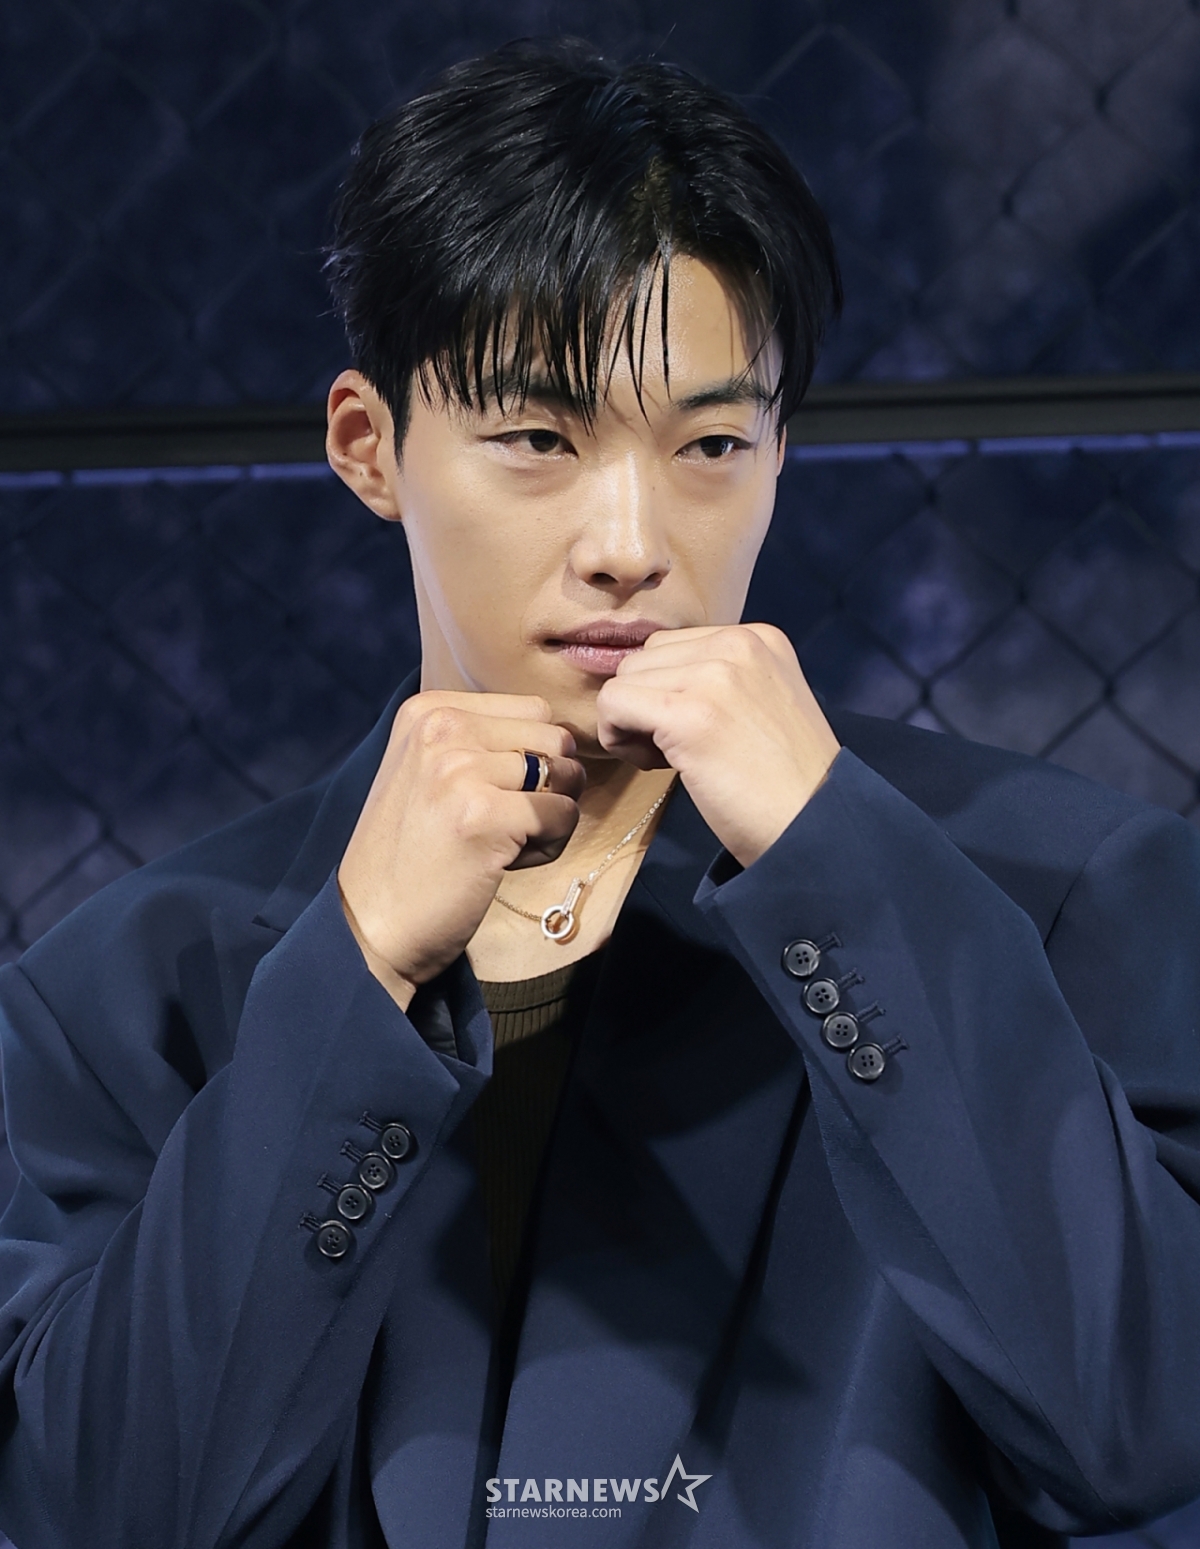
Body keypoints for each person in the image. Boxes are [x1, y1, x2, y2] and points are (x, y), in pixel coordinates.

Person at [0, 38, 1198, 1549]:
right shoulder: (124, 993)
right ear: (371, 447)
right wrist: (356, 976)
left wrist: (844, 873)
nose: (630, 542)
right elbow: (111, 1508)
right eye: (538, 440)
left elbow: (1139, 1426)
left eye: (710, 443)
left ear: (780, 451)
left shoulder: (1069, 889)